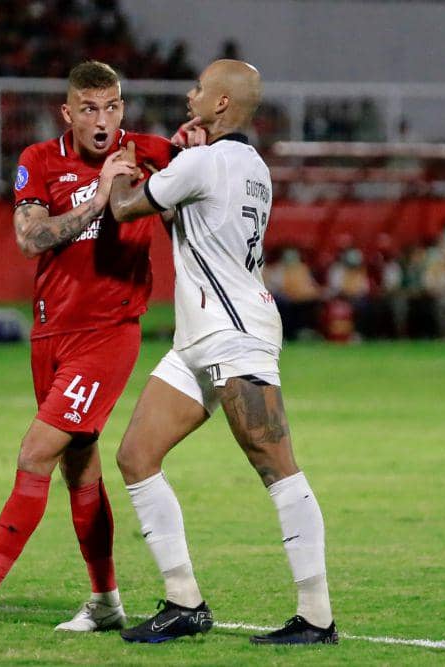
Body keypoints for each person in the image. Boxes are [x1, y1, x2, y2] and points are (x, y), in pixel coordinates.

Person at [0, 60, 179, 632]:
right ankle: (106, 600)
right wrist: (96, 197)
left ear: (122, 108)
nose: (102, 120)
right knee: (79, 467)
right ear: (68, 113)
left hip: (109, 333)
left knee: (35, 451)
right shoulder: (38, 160)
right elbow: (28, 239)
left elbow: (210, 172)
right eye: (89, 109)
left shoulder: (149, 153)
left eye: (112, 107)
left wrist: (191, 143)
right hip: (50, 334)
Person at [107, 59, 337, 645]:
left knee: (278, 470)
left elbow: (127, 209)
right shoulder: (251, 165)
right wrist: (178, 160)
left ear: (220, 106)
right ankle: (185, 603)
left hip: (234, 337)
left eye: (199, 90)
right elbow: (186, 228)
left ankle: (317, 617)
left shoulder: (205, 162)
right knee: (136, 456)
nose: (189, 96)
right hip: (199, 337)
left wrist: (120, 172)